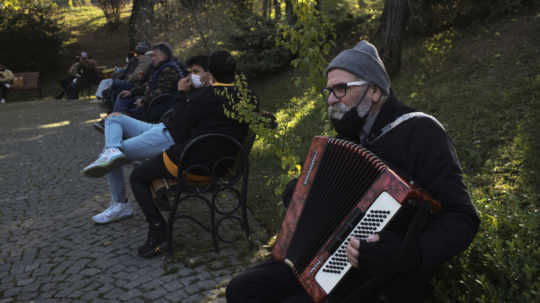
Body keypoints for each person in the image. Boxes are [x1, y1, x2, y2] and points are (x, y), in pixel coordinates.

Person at [226, 41, 479, 302]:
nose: (331, 99)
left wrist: (409, 253)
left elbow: (462, 218)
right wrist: (298, 195)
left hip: (383, 275)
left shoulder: (421, 132)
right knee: (243, 288)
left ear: (375, 91)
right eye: (329, 90)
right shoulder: (349, 138)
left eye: (340, 89)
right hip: (326, 263)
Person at [80, 51, 247, 228]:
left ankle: (120, 204)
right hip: (162, 128)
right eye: (191, 71)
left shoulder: (209, 95)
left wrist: (182, 94)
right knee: (113, 119)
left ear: (210, 73)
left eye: (196, 71)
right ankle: (111, 149)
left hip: (169, 136)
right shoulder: (211, 92)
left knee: (110, 159)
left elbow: (183, 126)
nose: (191, 76)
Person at [128, 50, 255, 258]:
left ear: (211, 73)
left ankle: (159, 231)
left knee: (137, 176)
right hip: (225, 164)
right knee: (150, 166)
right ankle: (160, 210)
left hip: (192, 163)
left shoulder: (204, 97)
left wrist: (181, 94)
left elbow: (177, 132)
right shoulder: (248, 96)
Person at [113, 42, 186, 119]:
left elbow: (161, 92)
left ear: (163, 56)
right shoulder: (161, 67)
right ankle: (116, 119)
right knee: (124, 96)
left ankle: (116, 120)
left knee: (125, 106)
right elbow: (149, 85)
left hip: (158, 107)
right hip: (151, 102)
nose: (152, 58)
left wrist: (143, 101)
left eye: (154, 56)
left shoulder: (169, 69)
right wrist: (132, 92)